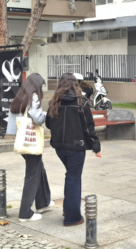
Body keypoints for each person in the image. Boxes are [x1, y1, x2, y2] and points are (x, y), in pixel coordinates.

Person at [46, 73, 101, 227]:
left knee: (71, 176)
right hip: (76, 147)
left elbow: (49, 124)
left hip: (59, 147)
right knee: (73, 178)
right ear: (75, 84)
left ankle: (67, 209)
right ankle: (72, 217)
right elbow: (88, 127)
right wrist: (96, 147)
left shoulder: (54, 102)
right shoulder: (81, 102)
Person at [6, 73, 52, 222]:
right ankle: (25, 212)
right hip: (31, 141)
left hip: (22, 139)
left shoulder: (21, 95)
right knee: (32, 175)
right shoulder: (33, 96)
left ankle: (43, 202)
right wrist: (47, 115)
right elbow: (37, 117)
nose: (41, 89)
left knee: (40, 168)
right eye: (40, 86)